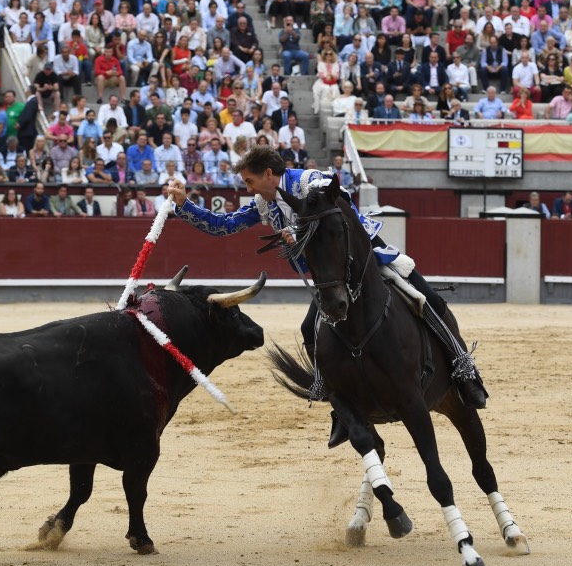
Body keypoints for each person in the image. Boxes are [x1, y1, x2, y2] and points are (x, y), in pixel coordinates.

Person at [163, 146, 487, 430]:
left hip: (365, 261)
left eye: (250, 181)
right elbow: (223, 226)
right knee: (310, 329)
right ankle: (339, 400)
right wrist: (184, 204)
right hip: (331, 279)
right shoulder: (265, 204)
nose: (248, 188)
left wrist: (297, 231)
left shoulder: (311, 181)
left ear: (268, 174)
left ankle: (465, 373)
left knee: (429, 300)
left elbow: (340, 206)